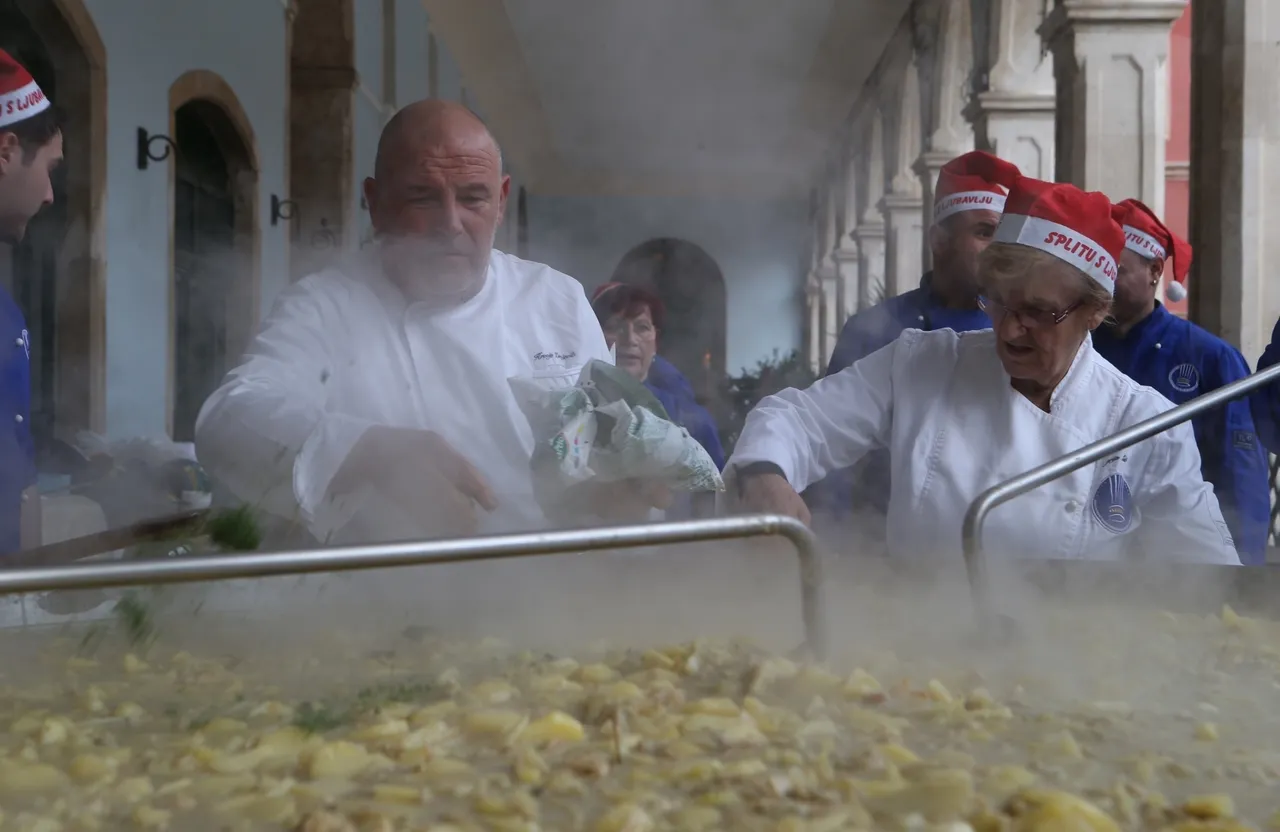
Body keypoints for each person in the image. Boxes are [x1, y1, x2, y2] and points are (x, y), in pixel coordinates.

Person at [195, 100, 668, 544]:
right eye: (422, 198)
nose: (451, 222)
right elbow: (228, 421)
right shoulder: (325, 305)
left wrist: (616, 487)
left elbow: (589, 443)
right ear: (375, 203)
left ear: (501, 200)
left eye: (473, 198)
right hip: (390, 602)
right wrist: (368, 451)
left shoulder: (555, 299)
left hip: (546, 588)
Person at [727, 176, 1239, 564]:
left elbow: (1206, 578)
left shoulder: (1145, 424)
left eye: (1038, 312)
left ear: (1093, 313)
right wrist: (765, 474)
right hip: (908, 649)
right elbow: (799, 420)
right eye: (998, 303)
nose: (1011, 331)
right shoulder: (925, 362)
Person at [813, 150, 1021, 531]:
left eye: (1003, 236)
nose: (997, 249)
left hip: (992, 542)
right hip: (879, 538)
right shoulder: (871, 329)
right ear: (939, 240)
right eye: (983, 232)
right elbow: (832, 449)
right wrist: (836, 537)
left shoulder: (1019, 332)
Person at [1092, 199, 1270, 564]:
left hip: (1180, 554)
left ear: (1155, 270)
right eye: (1095, 270)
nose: (1101, 284)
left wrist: (1239, 580)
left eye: (1115, 271)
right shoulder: (1079, 348)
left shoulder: (1211, 358)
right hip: (1092, 554)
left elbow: (1240, 476)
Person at [0, 49, 61, 553]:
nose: (50, 194)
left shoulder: (8, 313)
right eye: (49, 168)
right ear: (6, 151)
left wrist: (29, 598)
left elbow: (20, 473)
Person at [589, 282, 726, 470]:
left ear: (656, 341)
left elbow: (715, 492)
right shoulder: (575, 408)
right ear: (592, 335)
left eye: (642, 327)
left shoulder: (691, 420)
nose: (630, 339)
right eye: (615, 326)